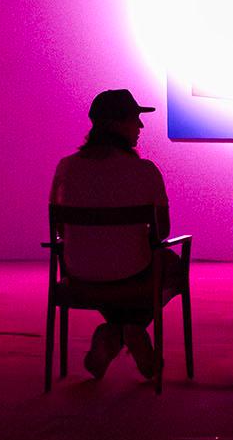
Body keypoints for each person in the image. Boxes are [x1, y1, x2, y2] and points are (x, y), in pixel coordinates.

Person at [50, 88, 175, 380]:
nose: (140, 126)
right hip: (133, 274)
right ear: (115, 124)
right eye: (134, 118)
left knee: (109, 274)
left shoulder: (66, 168)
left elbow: (59, 229)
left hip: (78, 273)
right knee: (173, 267)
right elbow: (163, 231)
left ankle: (116, 332)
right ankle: (129, 329)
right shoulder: (145, 171)